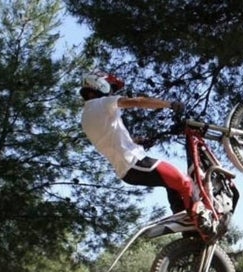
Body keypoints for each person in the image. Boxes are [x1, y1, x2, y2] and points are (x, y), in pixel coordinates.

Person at [79, 69, 215, 240]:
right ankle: (201, 223)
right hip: (134, 162)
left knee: (173, 186)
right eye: (112, 88)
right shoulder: (102, 103)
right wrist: (169, 104)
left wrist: (137, 141)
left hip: (127, 170)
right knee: (185, 182)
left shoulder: (86, 116)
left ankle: (189, 233)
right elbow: (137, 102)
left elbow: (111, 139)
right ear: (98, 84)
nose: (113, 92)